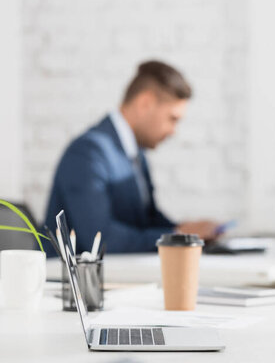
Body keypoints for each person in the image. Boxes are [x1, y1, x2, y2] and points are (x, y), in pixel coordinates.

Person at [44, 60, 220, 254]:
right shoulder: (88, 153)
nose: (173, 131)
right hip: (69, 281)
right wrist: (175, 236)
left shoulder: (136, 153)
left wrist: (186, 231)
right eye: (172, 119)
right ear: (145, 103)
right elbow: (100, 237)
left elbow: (145, 220)